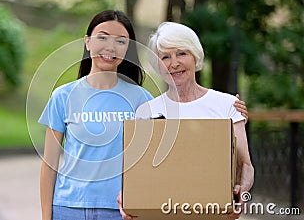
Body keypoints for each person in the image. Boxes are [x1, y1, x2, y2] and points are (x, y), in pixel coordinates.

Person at [39, 11, 249, 220]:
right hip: (67, 208)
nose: (110, 47)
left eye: (120, 41)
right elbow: (49, 166)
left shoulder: (143, 101)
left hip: (120, 209)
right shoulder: (63, 96)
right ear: (87, 42)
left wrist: (234, 113)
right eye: (102, 37)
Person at [118, 22, 254, 220]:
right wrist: (127, 199)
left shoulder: (227, 105)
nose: (174, 63)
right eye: (165, 57)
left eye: (181, 53)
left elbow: (246, 165)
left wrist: (242, 195)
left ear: (195, 57)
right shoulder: (147, 111)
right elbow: (137, 173)